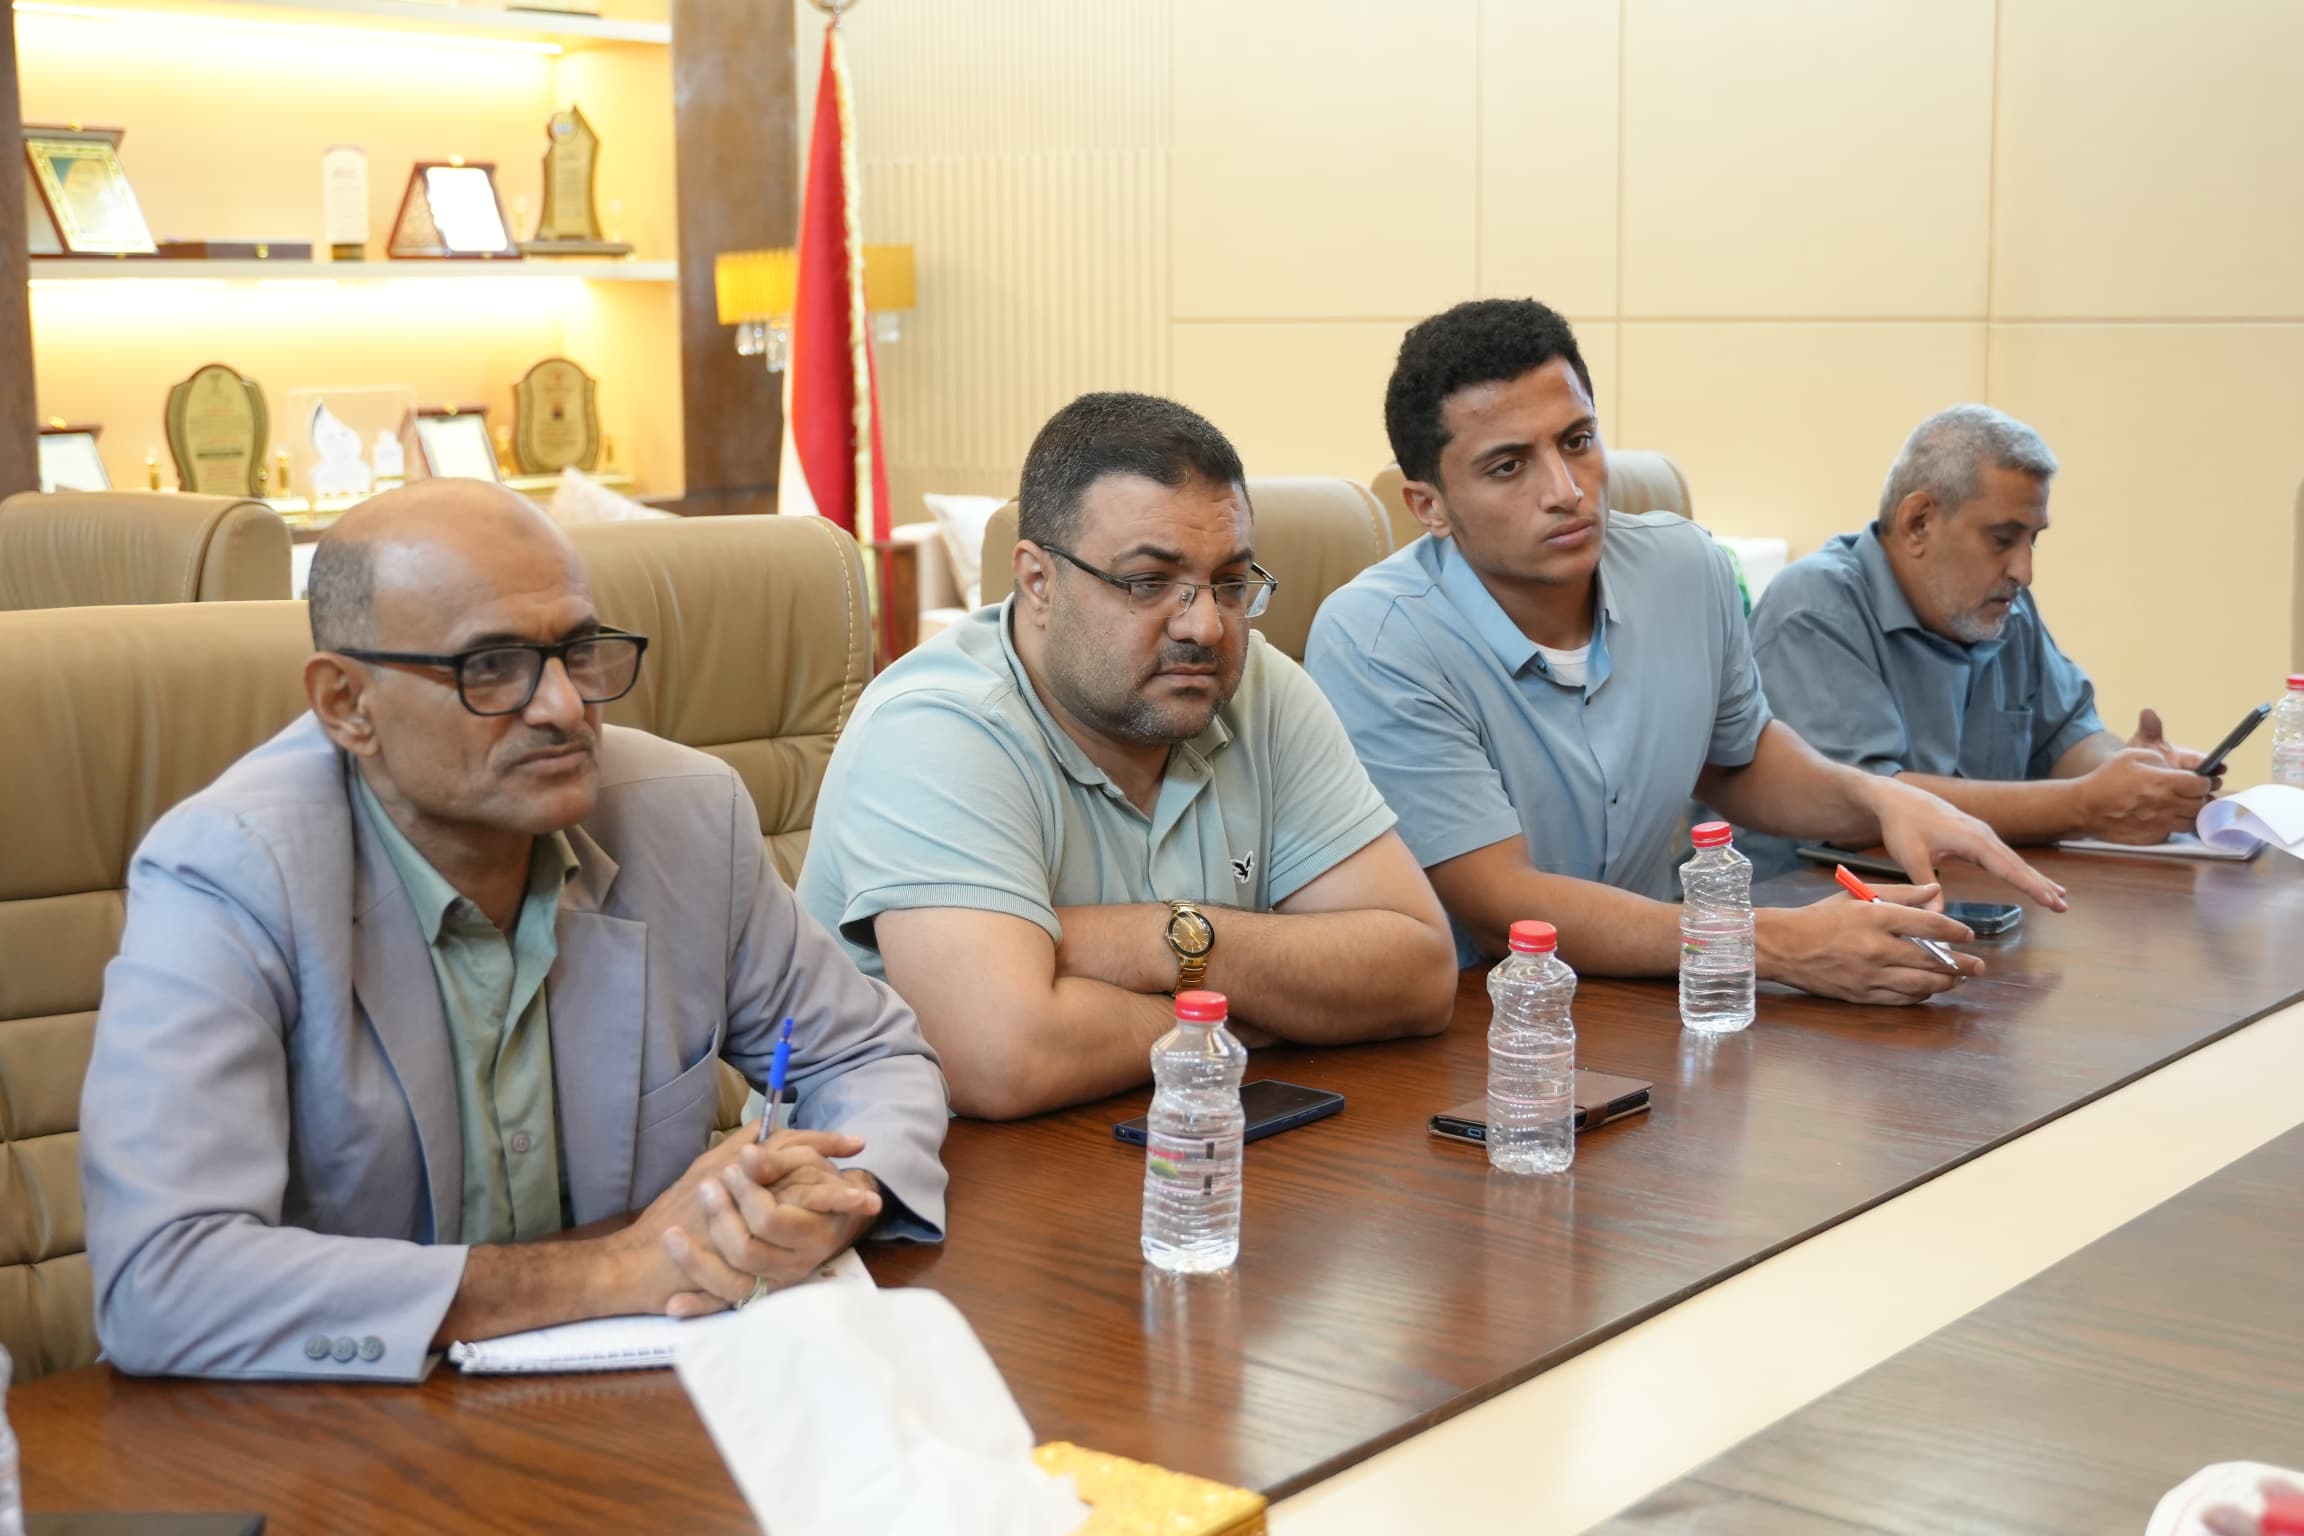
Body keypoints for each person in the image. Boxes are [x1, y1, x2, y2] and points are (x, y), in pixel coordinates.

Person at [80, 482, 949, 1382]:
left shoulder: (686, 816)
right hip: (340, 1423)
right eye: (490, 666)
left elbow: (870, 1055)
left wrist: (834, 1196)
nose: (564, 707)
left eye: (578, 650)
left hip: (643, 1398)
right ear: (346, 704)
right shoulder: (227, 873)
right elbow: (161, 1280)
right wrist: (610, 1271)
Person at [1305, 298, 2068, 1004]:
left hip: (1660, 996)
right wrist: (1776, 944)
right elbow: (1500, 905)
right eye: (1509, 467)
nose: (1566, 490)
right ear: (1429, 506)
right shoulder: (1377, 637)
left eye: (1578, 441)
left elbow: (1738, 760)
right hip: (1482, 1024)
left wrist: (1877, 798)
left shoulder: (1686, 567)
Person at [798, 392, 1458, 1120]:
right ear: (1038, 582)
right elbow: (1004, 1057)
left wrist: (1162, 939)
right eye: (1148, 583)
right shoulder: (936, 727)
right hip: (916, 1174)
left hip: (1187, 1141)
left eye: (1230, 583)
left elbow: (1419, 975)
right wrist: (1235, 1020)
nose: (1205, 627)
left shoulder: (1256, 687)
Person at [1748, 404, 2214, 848]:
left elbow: (2067, 739)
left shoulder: (2007, 610)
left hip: (1961, 892)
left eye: (2033, 540)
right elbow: (1862, 811)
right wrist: (2085, 806)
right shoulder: (1815, 608)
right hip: (1809, 896)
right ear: (1918, 523)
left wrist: (2138, 777)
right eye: (2003, 539)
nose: (2024, 572)